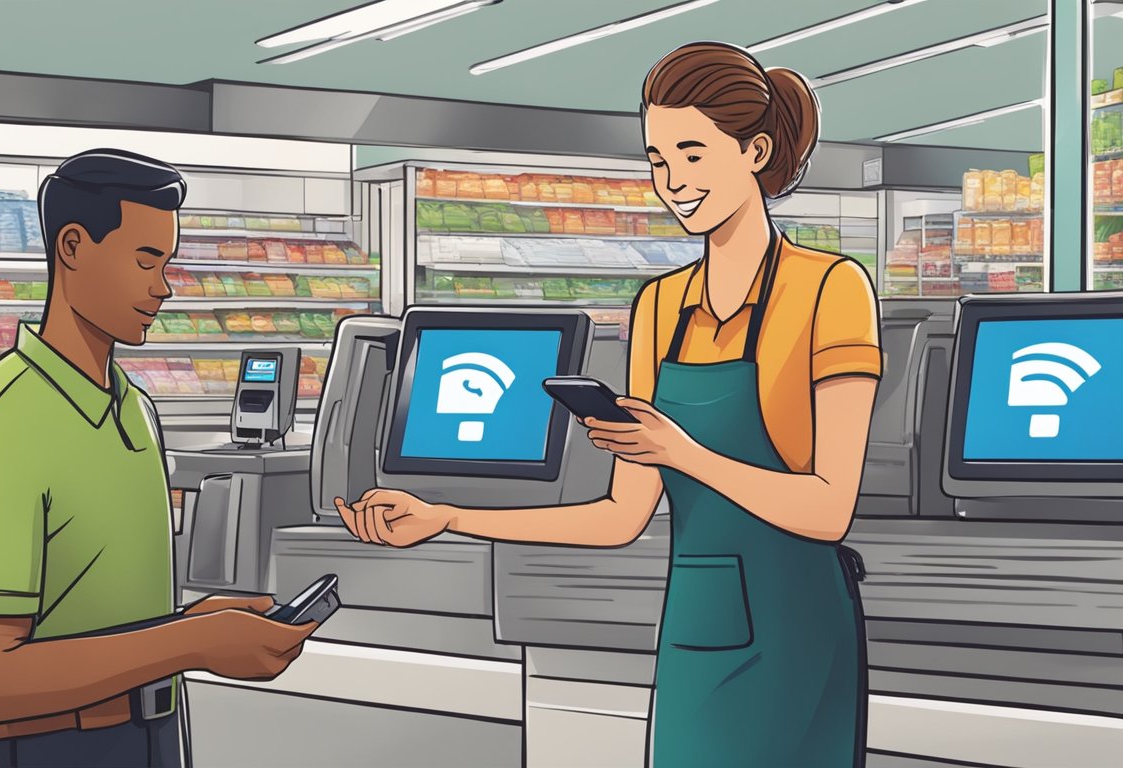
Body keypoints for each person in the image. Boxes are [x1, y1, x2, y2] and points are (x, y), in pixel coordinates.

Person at [336, 43, 879, 768]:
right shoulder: (659, 306)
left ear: (754, 150)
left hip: (797, 630)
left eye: (692, 154)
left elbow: (828, 508)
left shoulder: (831, 289)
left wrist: (682, 452)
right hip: (696, 626)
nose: (673, 182)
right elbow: (622, 516)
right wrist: (446, 519)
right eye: (658, 160)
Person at [0, 148, 316, 768]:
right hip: (56, 748)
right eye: (145, 260)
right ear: (73, 248)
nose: (162, 287)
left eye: (167, 263)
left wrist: (196, 624)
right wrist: (193, 641)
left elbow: (111, 619)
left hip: (157, 735)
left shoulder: (136, 408)